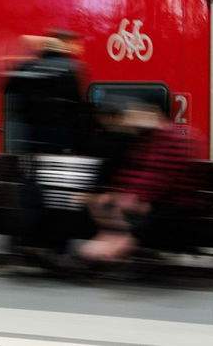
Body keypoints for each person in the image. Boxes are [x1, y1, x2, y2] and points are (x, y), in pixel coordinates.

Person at [81, 95, 202, 263]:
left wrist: (130, 197)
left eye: (137, 111)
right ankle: (110, 241)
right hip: (151, 200)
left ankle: (114, 245)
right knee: (100, 202)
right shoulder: (150, 138)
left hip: (167, 206)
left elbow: (157, 177)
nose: (131, 116)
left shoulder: (173, 137)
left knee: (105, 203)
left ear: (153, 113)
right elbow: (140, 174)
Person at [6, 32, 89, 154]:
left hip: (29, 136)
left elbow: (10, 95)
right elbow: (77, 107)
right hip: (61, 137)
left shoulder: (24, 66)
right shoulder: (72, 67)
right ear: (62, 48)